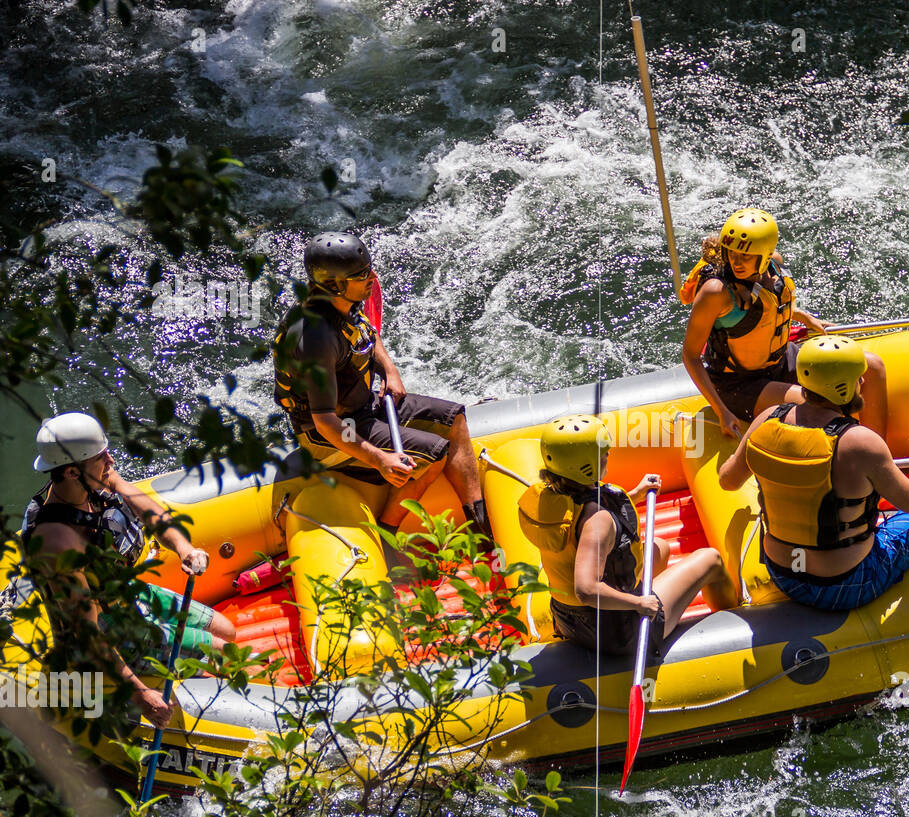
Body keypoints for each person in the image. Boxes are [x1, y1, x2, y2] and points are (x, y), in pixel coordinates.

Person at [19, 412, 235, 727]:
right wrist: (138, 693)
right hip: (107, 627)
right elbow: (87, 632)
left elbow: (146, 507)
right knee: (223, 651)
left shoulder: (94, 478)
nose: (110, 460)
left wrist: (182, 546)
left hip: (126, 594)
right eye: (100, 457)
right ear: (70, 471)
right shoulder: (57, 542)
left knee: (226, 629)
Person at [273, 232, 491, 537]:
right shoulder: (317, 339)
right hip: (336, 427)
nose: (372, 279)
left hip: (364, 406)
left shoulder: (345, 300)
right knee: (433, 454)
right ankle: (390, 533)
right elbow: (324, 422)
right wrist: (380, 459)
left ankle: (481, 528)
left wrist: (389, 370)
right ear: (335, 284)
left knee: (454, 418)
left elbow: (366, 334)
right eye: (362, 275)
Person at [717, 336, 909, 611]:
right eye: (858, 378)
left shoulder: (768, 418)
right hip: (847, 584)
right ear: (842, 388)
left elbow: (727, 480)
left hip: (783, 574)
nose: (863, 384)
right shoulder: (860, 442)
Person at [518, 415, 731, 655]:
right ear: (585, 463)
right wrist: (639, 604)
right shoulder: (597, 521)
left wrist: (637, 494)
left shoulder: (555, 494)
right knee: (710, 559)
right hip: (617, 631)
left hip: (570, 620)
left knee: (659, 548)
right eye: (602, 452)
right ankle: (738, 616)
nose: (607, 455)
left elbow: (579, 524)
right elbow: (586, 589)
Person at [680, 208, 888, 439]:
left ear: (766, 254)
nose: (736, 262)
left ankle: (877, 456)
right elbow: (690, 355)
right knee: (827, 405)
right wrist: (722, 411)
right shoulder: (716, 292)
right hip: (739, 385)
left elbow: (767, 310)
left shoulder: (774, 266)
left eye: (745, 256)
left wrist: (804, 317)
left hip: (781, 362)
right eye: (732, 253)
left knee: (872, 367)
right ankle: (852, 459)